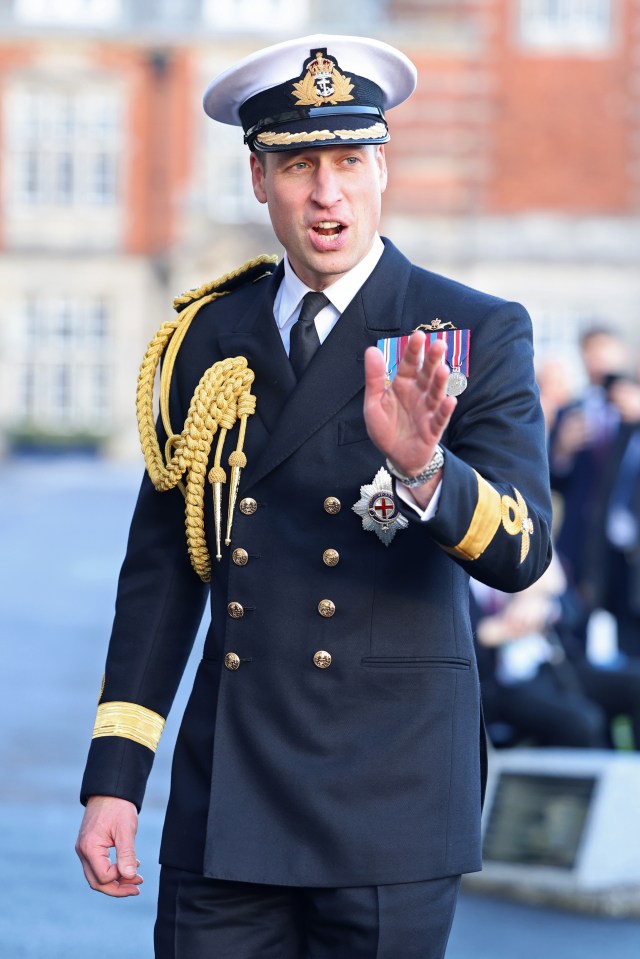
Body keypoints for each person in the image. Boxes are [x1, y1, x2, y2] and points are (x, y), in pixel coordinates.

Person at [75, 34, 552, 959]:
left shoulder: (474, 331)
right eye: (298, 164)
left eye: (347, 161)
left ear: (383, 169)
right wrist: (116, 778)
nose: (326, 192)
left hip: (393, 800)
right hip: (232, 796)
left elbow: (523, 551)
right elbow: (161, 578)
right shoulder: (205, 338)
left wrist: (425, 472)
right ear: (259, 180)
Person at [471, 558, 640, 749]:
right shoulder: (462, 577)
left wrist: (546, 605)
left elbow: (572, 610)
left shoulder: (524, 547)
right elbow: (470, 636)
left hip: (557, 662)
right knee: (584, 721)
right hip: (509, 681)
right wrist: (505, 628)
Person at [549, 325, 640, 659]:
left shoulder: (634, 405)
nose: (598, 361)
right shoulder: (571, 411)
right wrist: (561, 451)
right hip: (582, 539)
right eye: (591, 353)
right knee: (576, 625)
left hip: (628, 546)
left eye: (605, 352)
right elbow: (553, 481)